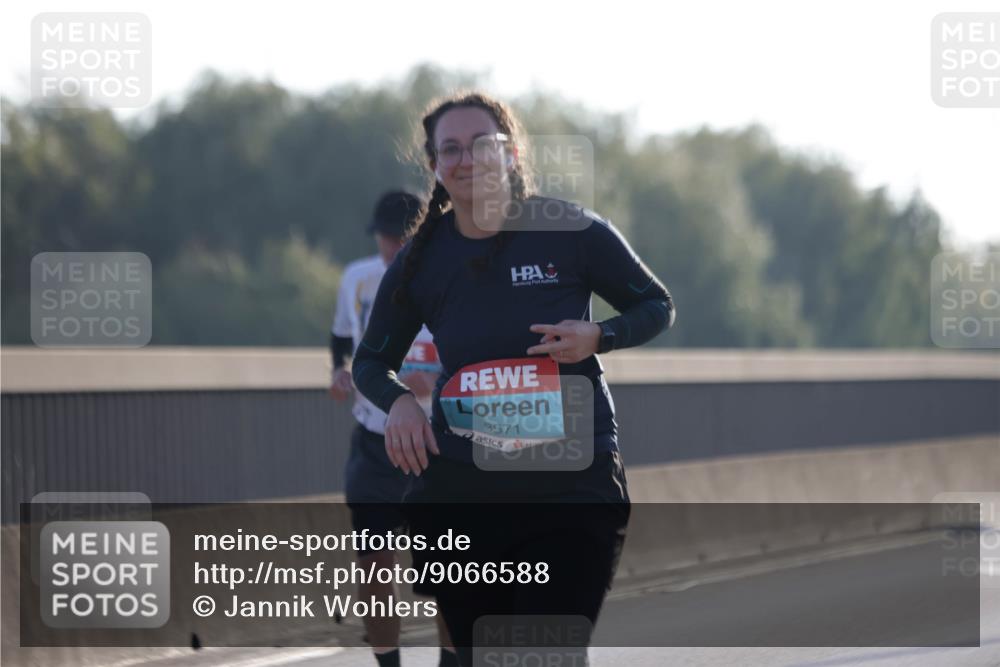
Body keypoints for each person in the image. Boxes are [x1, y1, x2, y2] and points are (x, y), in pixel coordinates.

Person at [351, 93, 675, 666]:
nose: (467, 158)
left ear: (512, 153)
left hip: (571, 481)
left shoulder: (572, 231)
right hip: (465, 490)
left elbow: (656, 305)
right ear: (435, 165)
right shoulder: (422, 258)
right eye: (451, 148)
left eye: (482, 144)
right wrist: (398, 403)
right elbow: (371, 362)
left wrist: (599, 335)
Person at [329, 190, 457, 667]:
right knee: (374, 564)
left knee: (447, 571)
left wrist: (437, 380)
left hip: (438, 441)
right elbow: (342, 337)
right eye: (382, 237)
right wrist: (339, 370)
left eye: (396, 238)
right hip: (374, 440)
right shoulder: (358, 278)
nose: (387, 247)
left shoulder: (451, 276)